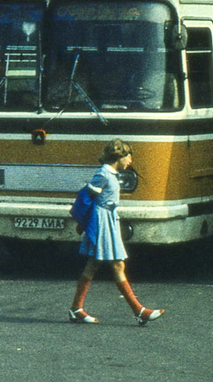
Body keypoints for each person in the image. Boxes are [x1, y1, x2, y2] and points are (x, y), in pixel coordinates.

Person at [69, 139, 164, 325]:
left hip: (108, 221)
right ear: (118, 157)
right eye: (128, 157)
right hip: (101, 222)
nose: (130, 161)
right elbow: (85, 198)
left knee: (94, 264)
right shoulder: (103, 174)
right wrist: (84, 223)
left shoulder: (110, 173)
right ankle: (139, 310)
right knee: (116, 265)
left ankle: (76, 309)